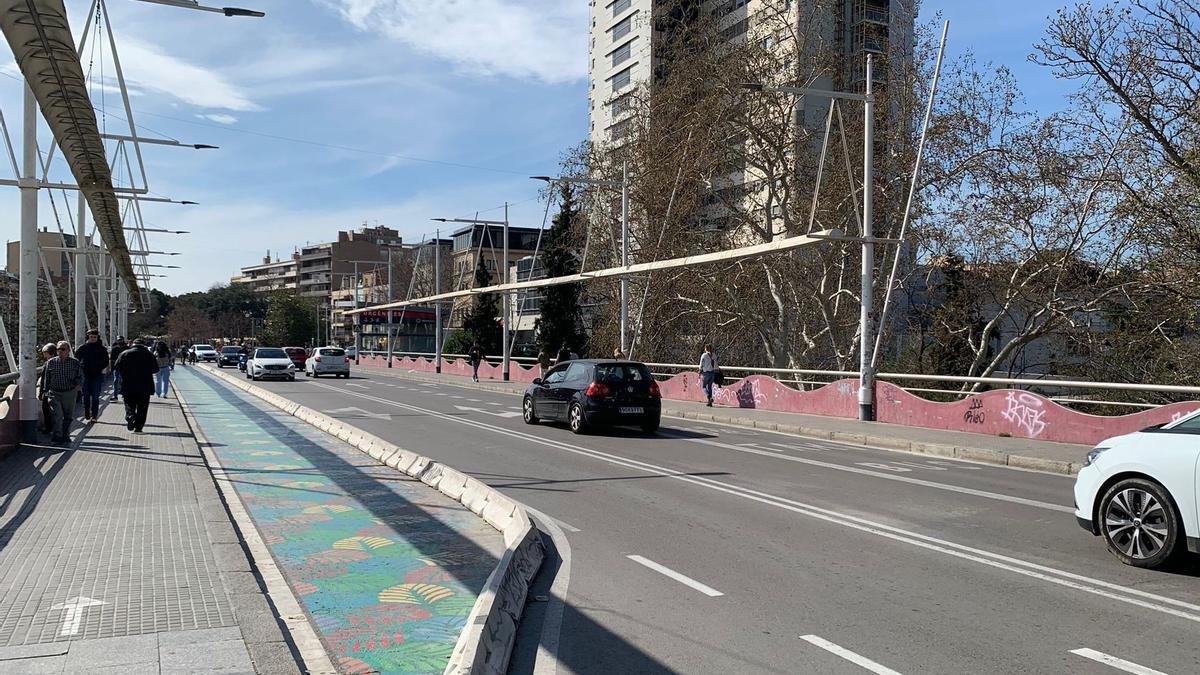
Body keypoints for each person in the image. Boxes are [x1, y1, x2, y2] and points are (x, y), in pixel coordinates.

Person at [114, 338, 157, 432]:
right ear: (144, 345)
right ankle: (139, 427)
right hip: (145, 385)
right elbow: (155, 369)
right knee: (143, 406)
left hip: (128, 384)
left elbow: (117, 366)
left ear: (133, 344)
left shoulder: (125, 353)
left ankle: (130, 415)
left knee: (129, 403)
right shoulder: (149, 355)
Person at [44, 341, 83, 443]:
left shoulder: (75, 363)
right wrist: (44, 390)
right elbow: (46, 378)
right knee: (57, 414)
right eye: (58, 349)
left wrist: (78, 385)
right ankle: (57, 436)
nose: (60, 351)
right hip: (54, 392)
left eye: (63, 349)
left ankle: (66, 435)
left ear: (68, 351)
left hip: (69, 392)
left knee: (68, 416)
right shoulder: (51, 362)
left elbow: (80, 376)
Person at [74, 329, 109, 422]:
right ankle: (86, 410)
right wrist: (81, 368)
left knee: (95, 396)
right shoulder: (83, 348)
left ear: (97, 338)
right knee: (85, 396)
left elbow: (106, 361)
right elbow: (76, 359)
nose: (93, 339)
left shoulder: (102, 349)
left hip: (97, 375)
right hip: (85, 375)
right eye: (91, 337)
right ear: (88, 337)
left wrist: (99, 367)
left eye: (95, 337)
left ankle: (94, 415)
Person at [37, 343, 56, 434]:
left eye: (45, 353)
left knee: (46, 408)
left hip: (48, 390)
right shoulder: (60, 361)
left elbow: (44, 379)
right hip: (57, 390)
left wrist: (41, 392)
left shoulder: (48, 363)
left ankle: (49, 428)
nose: (44, 355)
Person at [109, 336, 128, 400]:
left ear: (123, 340)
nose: (120, 341)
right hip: (116, 367)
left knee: (124, 381)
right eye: (118, 340)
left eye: (121, 340)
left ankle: (124, 394)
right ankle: (115, 396)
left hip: (125, 367)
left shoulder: (127, 348)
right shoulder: (115, 348)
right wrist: (111, 368)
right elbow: (111, 359)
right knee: (115, 381)